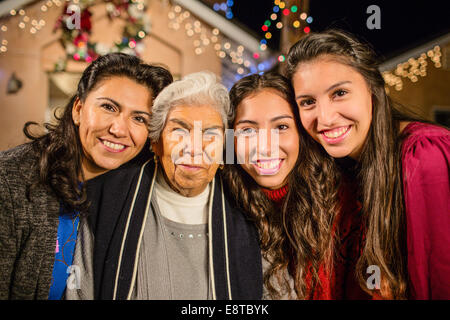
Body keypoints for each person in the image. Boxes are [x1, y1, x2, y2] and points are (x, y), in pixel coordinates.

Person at [285, 29, 450, 299]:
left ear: (372, 88)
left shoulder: (423, 157)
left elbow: (440, 280)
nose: (324, 118)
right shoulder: (338, 172)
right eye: (308, 102)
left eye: (339, 93)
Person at [0, 53, 173, 299]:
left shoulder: (135, 192)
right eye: (108, 107)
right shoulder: (10, 180)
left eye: (139, 118)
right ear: (78, 109)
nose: (118, 129)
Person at [84, 71, 262, 300]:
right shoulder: (105, 198)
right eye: (179, 130)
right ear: (155, 143)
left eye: (210, 134)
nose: (194, 148)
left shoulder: (250, 208)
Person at [223, 72, 321, 299]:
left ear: (301, 133)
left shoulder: (339, 200)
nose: (265, 147)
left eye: (281, 127)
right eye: (247, 130)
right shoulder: (220, 208)